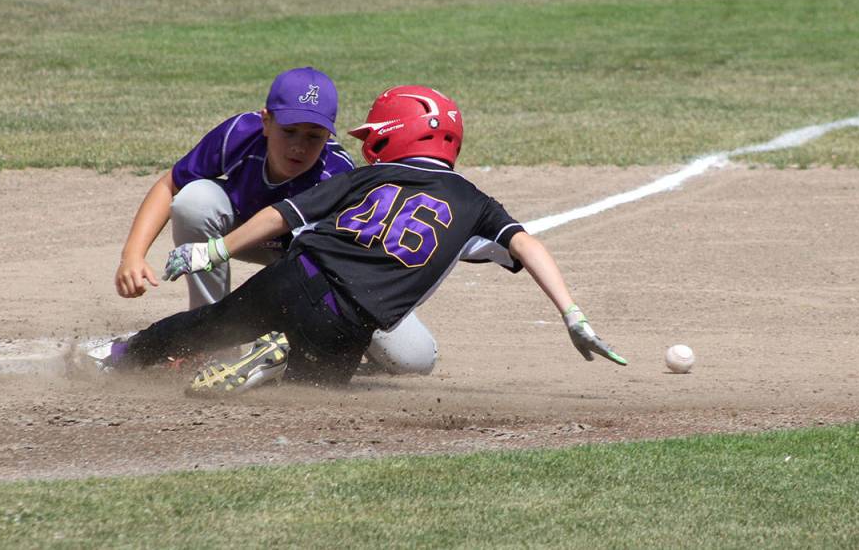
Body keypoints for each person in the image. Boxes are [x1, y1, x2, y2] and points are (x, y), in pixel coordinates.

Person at [92, 85, 627, 395]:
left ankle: (123, 355)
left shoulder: (364, 176)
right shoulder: (478, 206)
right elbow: (528, 246)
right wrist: (572, 314)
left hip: (296, 277)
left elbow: (283, 214)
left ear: (395, 136)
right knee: (313, 390)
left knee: (207, 325)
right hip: (352, 320)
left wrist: (213, 250)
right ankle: (276, 359)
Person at [111, 67, 438, 375]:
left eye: (314, 136)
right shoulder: (239, 135)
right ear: (266, 121)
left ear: (329, 135)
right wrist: (132, 256)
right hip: (241, 235)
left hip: (312, 262)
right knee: (194, 201)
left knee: (415, 359)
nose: (298, 145)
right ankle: (210, 341)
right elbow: (171, 185)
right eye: (289, 131)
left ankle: (310, 343)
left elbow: (328, 274)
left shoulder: (335, 175)